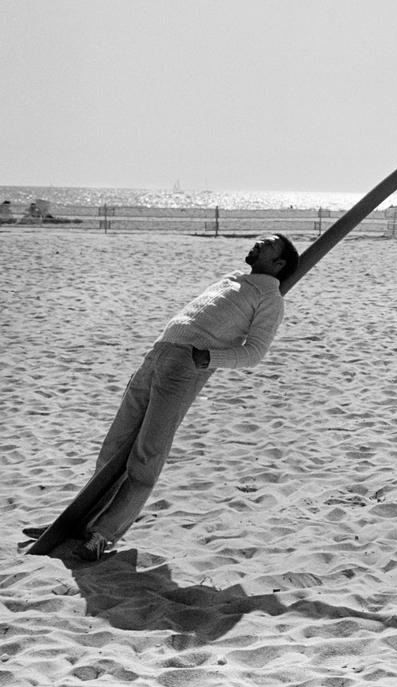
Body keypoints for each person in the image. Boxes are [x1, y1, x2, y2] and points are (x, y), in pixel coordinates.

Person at [59, 234, 299, 561]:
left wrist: (207, 358)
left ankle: (103, 534)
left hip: (186, 365)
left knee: (148, 452)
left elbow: (255, 352)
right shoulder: (234, 278)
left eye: (267, 244)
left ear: (279, 262)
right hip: (158, 354)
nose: (258, 243)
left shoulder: (270, 297)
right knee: (115, 443)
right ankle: (80, 521)